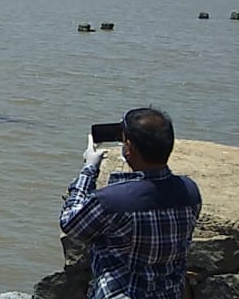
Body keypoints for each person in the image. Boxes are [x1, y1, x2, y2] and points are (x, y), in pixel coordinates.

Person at [60, 108, 201, 299]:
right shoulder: (190, 191)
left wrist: (89, 168)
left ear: (129, 147)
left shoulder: (112, 200)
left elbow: (71, 223)